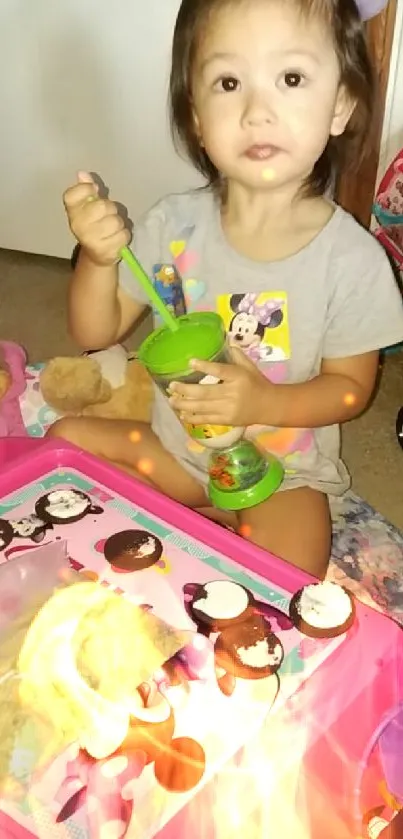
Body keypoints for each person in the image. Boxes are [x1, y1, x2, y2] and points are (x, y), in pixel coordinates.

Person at [51, 0, 403, 578]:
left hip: (281, 475)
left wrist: (262, 402)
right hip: (178, 456)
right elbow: (95, 332)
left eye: (290, 78)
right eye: (229, 81)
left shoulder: (352, 260)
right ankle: (193, 525)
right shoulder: (173, 226)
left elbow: (349, 393)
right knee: (65, 440)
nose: (257, 110)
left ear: (340, 105)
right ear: (195, 115)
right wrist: (96, 259)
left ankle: (192, 532)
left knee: (290, 574)